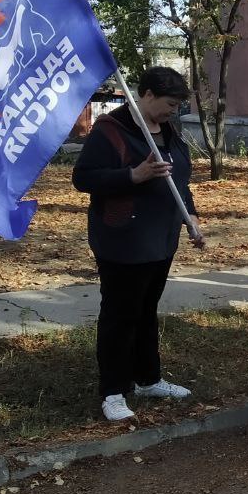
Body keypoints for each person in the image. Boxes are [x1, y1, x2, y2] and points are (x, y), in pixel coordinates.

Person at [72, 66, 205, 423]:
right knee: (120, 316)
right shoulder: (111, 131)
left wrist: (189, 217)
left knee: (146, 311)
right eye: (169, 103)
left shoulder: (169, 131)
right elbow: (83, 178)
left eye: (177, 105)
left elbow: (181, 180)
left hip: (161, 240)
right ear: (146, 94)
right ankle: (113, 392)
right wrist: (134, 175)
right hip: (123, 241)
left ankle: (148, 378)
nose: (172, 111)